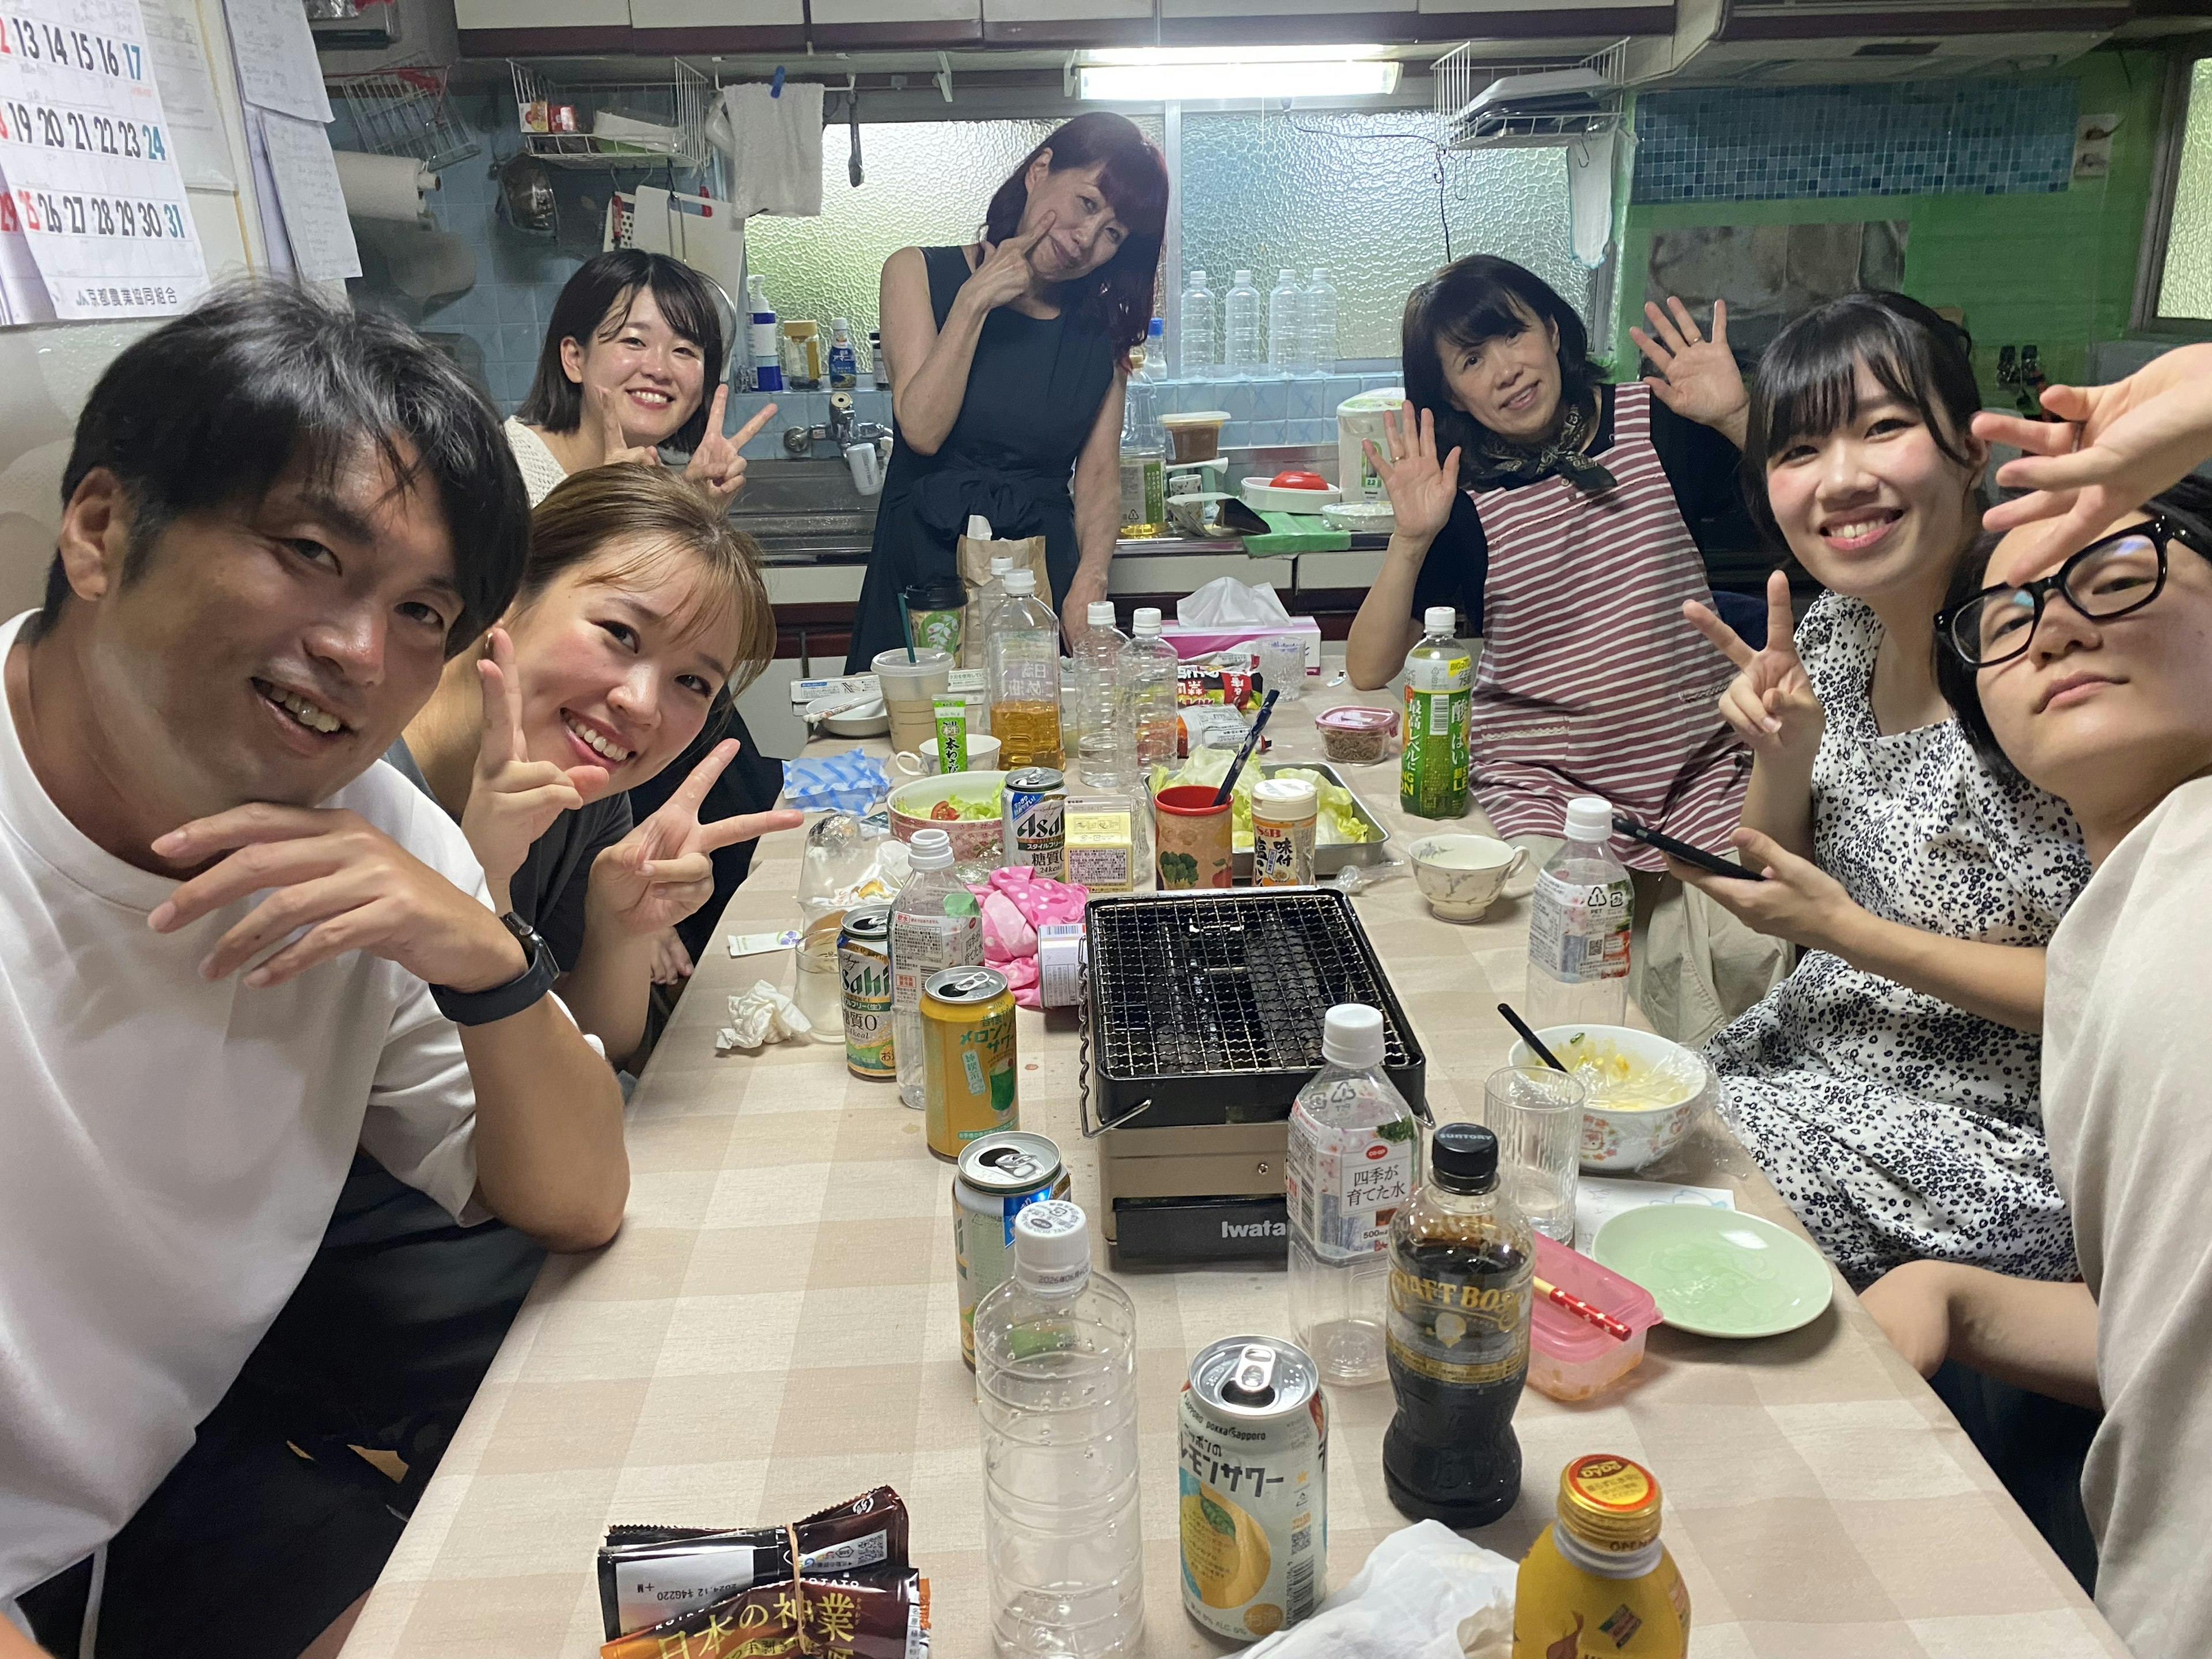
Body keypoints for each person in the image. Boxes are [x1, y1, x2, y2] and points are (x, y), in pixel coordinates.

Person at [1, 286, 626, 1655]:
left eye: (421, 611)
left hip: (156, 1490)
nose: (360, 653)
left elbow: (577, 1195)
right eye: (308, 554)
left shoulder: (377, 831)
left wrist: (480, 954)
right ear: (101, 530)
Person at [1869, 346, 2212, 1657]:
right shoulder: (2114, 919)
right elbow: (2164, 1327)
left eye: (2113, 570)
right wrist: (1958, 1298)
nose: (2049, 622)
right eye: (2003, 616)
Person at [1664, 293, 2090, 1291]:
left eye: (1885, 428)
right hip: (1809, 1063)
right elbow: (1777, 886)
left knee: (1633, 1223)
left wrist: (1853, 934)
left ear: (1970, 452)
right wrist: (1783, 753)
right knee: (1559, 1126)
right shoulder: (1832, 638)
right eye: (1799, 451)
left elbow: (2115, 993)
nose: (1841, 479)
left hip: (1992, 1144)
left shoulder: (2056, 659)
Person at [1344, 255, 1783, 1042]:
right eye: (1471, 362)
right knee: (1565, 965)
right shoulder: (1462, 500)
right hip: (1547, 781)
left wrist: (1736, 418)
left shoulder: (1662, 424)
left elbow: (1807, 517)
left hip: (1698, 767)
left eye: (1511, 335)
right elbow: (1370, 668)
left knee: (1750, 952)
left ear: (1552, 328)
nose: (1505, 372)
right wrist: (1410, 540)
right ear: (1451, 395)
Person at [847, 110, 1169, 667]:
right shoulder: (916, 272)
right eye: (1087, 204)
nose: (1086, 239)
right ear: (1040, 170)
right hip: (924, 569)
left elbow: (1096, 480)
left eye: (1113, 233)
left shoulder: (1100, 329)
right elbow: (921, 429)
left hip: (1039, 580)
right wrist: (975, 299)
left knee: (1037, 744)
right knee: (905, 745)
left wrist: (1090, 581)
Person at [507, 248, 773, 510]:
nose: (659, 370)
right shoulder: (499, 465)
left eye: (683, 350)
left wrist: (694, 509)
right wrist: (603, 503)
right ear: (575, 358)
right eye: (634, 341)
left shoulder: (656, 484)